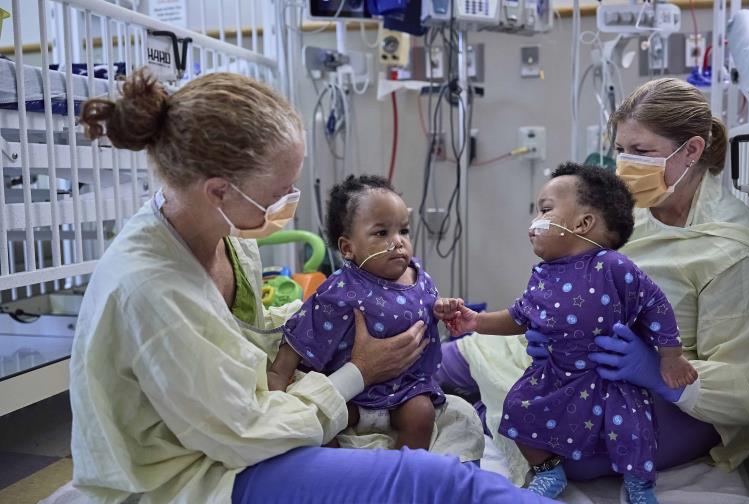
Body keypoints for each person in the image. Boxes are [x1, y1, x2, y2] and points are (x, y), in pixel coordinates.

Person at [70, 69, 554, 503]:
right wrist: (357, 371)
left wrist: (326, 340)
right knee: (432, 481)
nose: (290, 205)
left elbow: (240, 342)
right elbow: (242, 433)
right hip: (194, 473)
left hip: (235, 424)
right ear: (218, 190)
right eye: (280, 193)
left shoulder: (227, 237)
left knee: (452, 410)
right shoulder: (152, 290)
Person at [436, 77, 749, 489]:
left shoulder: (731, 252)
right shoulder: (635, 214)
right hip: (574, 360)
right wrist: (546, 326)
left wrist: (653, 368)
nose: (626, 165)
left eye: (642, 151)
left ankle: (474, 412)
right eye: (621, 150)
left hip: (667, 396)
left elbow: (746, 394)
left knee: (560, 452)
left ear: (692, 151)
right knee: (439, 361)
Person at [435, 164, 696, 501]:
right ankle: (548, 470)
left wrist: (670, 358)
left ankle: (639, 484)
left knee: (632, 429)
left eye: (544, 210)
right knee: (517, 407)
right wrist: (477, 322)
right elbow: (519, 316)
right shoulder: (543, 275)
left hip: (610, 380)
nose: (533, 222)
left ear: (582, 223)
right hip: (555, 376)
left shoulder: (612, 266)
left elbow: (656, 305)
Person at [270, 175, 445, 450]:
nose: (398, 242)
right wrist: (279, 376)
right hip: (351, 393)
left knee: (422, 415)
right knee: (320, 425)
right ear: (348, 248)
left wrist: (444, 309)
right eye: (381, 233)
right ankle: (342, 477)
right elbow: (304, 329)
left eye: (404, 230)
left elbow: (428, 309)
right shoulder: (341, 288)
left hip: (403, 390)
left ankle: (408, 475)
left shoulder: (418, 276)